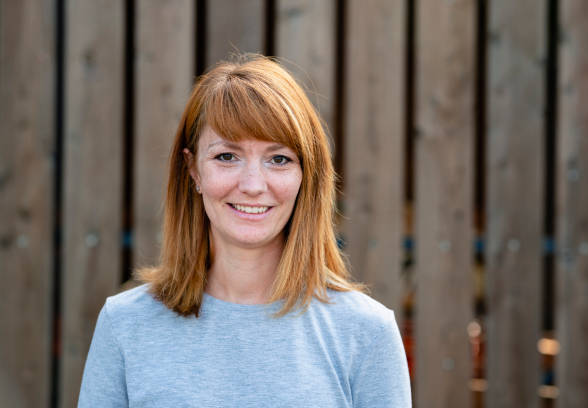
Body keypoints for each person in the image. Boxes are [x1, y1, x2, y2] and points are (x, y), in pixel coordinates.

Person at [78, 55, 412, 407]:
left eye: (279, 159)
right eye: (227, 156)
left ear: (306, 176)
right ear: (193, 170)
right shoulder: (125, 324)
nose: (253, 185)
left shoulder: (367, 333)